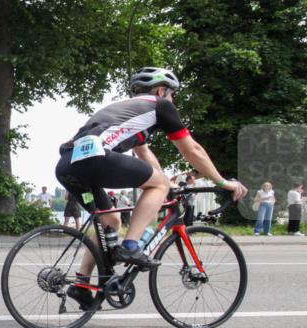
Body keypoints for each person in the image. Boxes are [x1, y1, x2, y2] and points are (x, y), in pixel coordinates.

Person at [54, 66, 246, 308]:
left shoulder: (129, 111)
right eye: (173, 94)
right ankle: (130, 246)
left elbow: (143, 153)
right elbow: (192, 150)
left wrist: (165, 183)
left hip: (67, 165)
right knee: (157, 186)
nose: (173, 100)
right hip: (95, 159)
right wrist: (222, 182)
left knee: (110, 221)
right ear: (162, 90)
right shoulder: (160, 105)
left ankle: (81, 284)